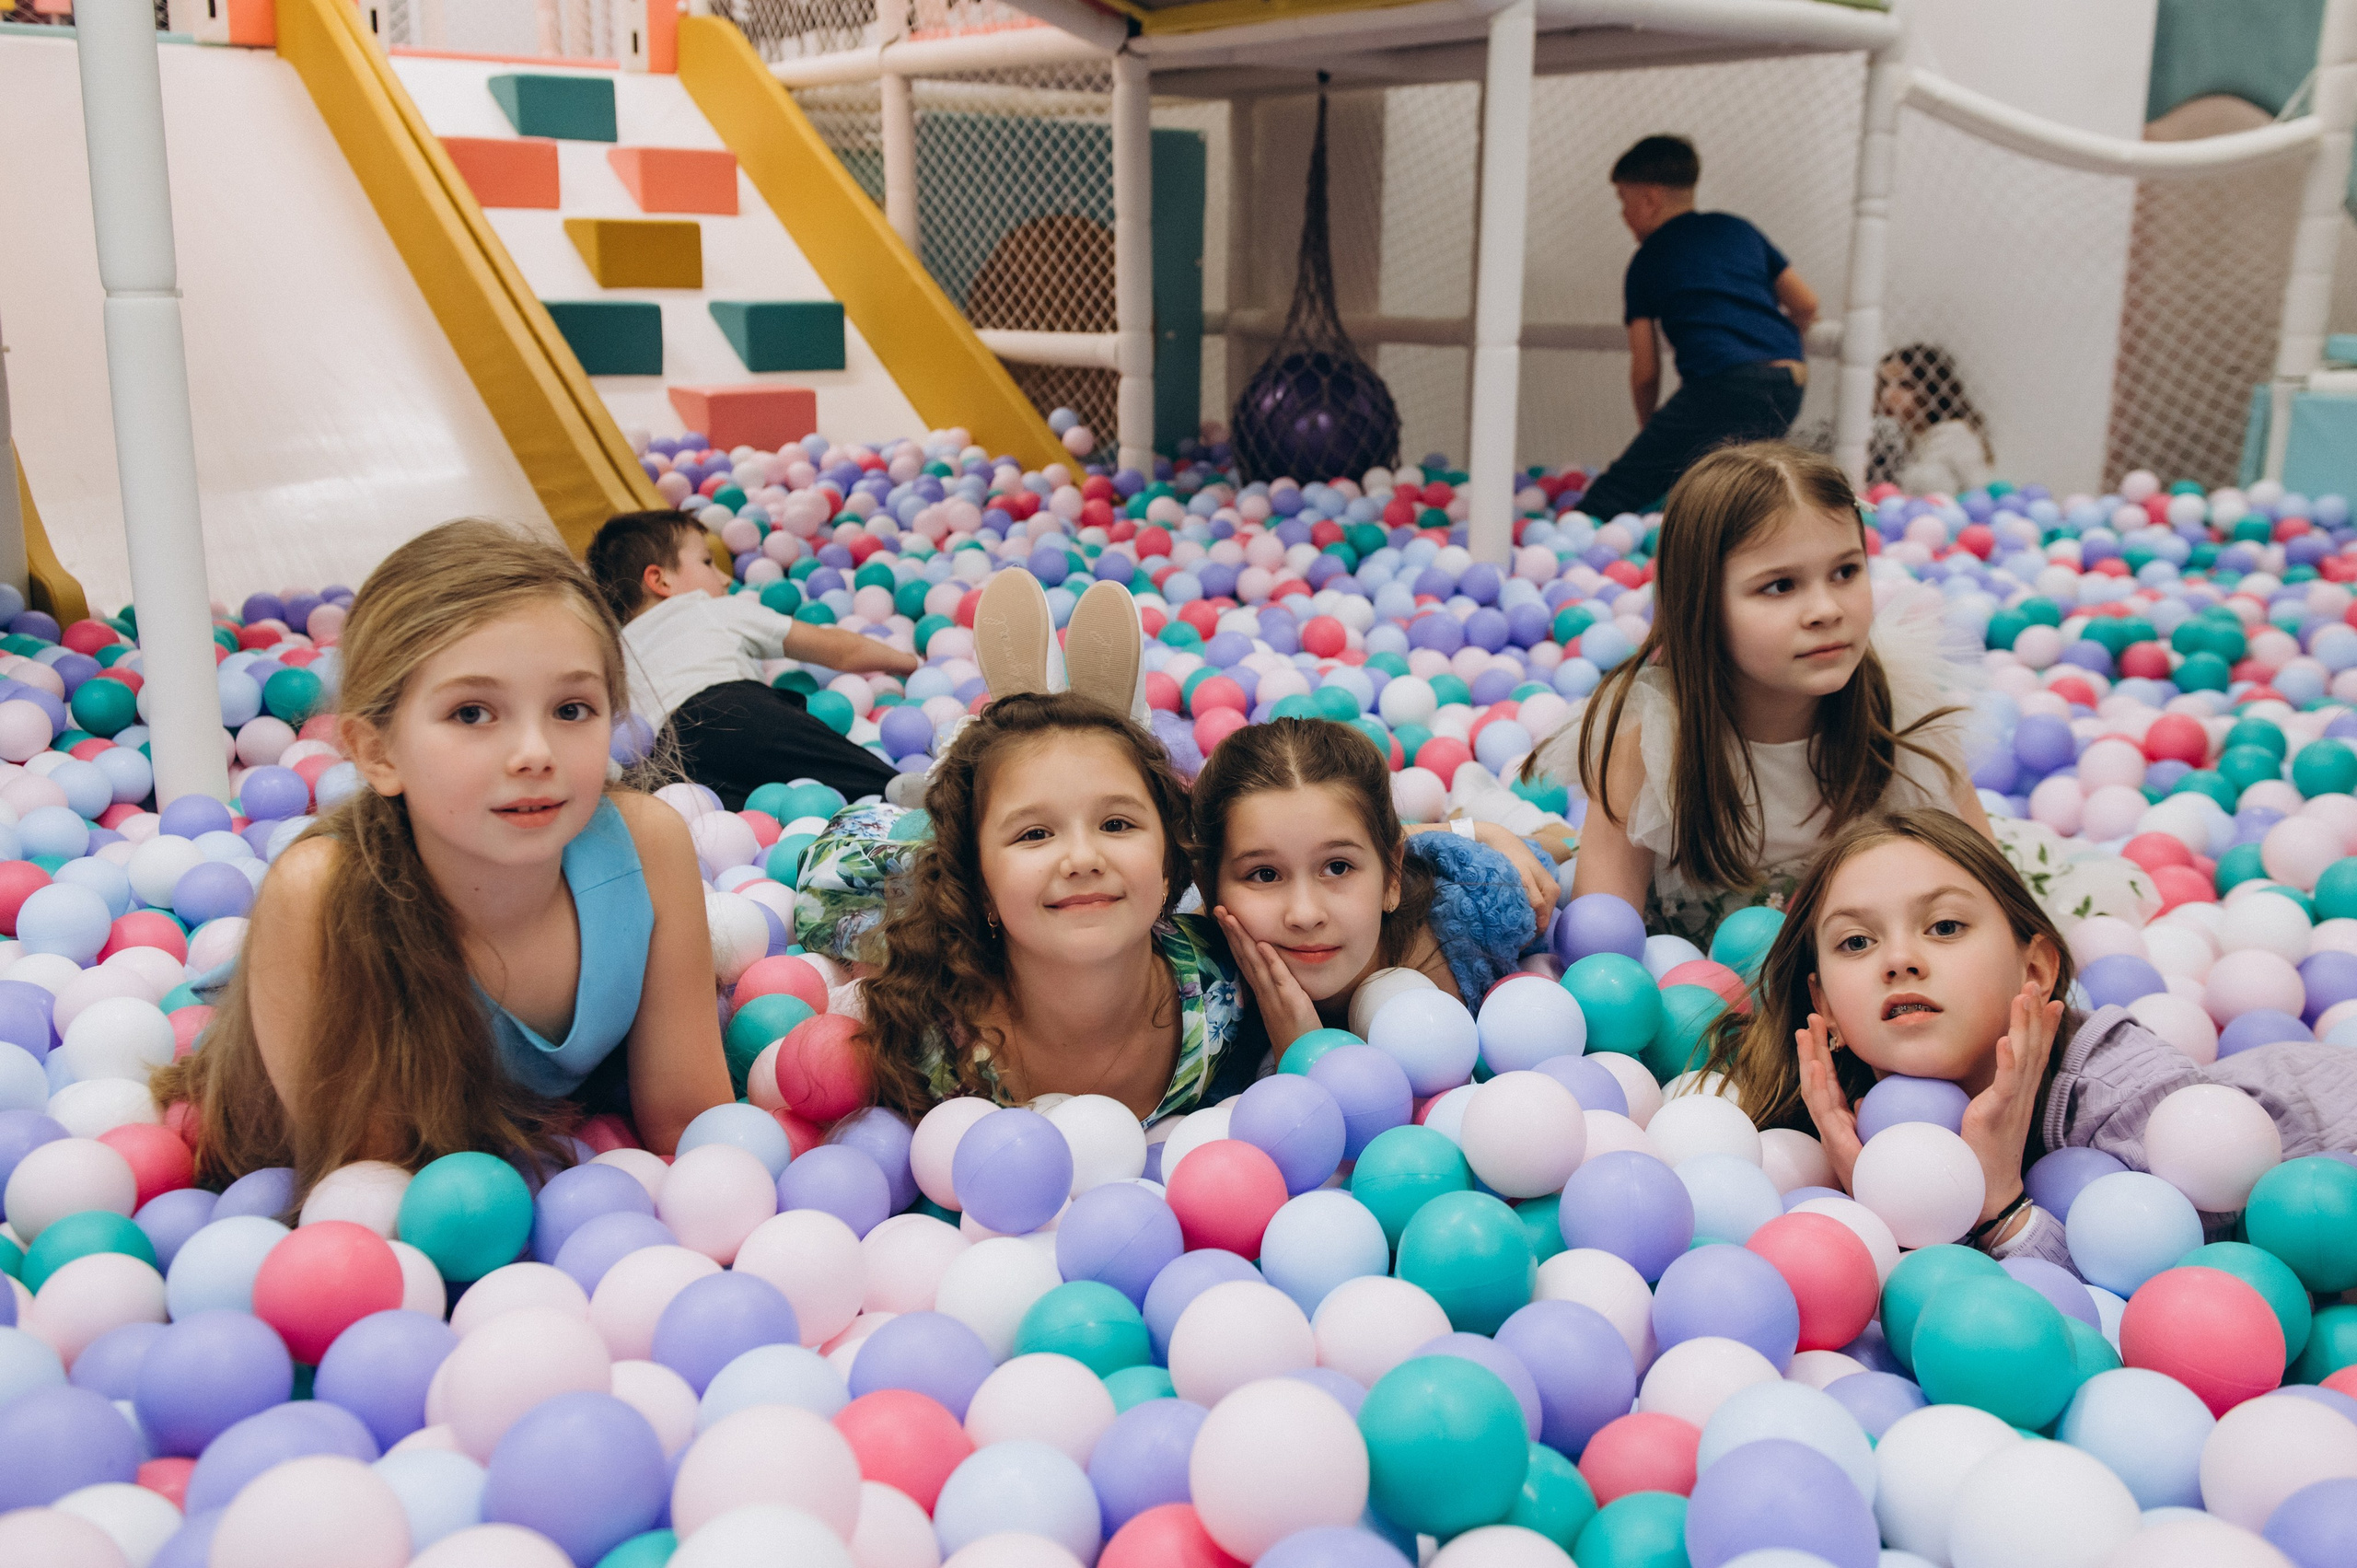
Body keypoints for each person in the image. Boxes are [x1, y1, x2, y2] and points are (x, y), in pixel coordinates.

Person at [154, 519, 736, 1194]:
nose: (535, 752)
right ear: (377, 752)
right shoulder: (322, 896)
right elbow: (378, 1191)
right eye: (471, 713)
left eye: (572, 708)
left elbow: (690, 1128)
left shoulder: (646, 844)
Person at [1536, 441, 2151, 948]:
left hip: (1878, 936)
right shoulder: (1652, 739)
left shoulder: (1898, 708)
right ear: (1703, 606)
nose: (1826, 610)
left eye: (1846, 572)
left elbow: (1988, 893)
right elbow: (1600, 936)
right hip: (1713, 958)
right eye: (1779, 586)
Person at [1705, 807, 2357, 1264]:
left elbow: (2186, 1285)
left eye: (1944, 927)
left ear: (2036, 968)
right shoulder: (1840, 1126)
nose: (1899, 959)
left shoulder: (2116, 1088)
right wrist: (1889, 1198)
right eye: (1856, 941)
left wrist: (1996, 1208)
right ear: (1826, 1006)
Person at [818, 691, 1257, 1124]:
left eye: (1116, 824)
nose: (1083, 859)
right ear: (981, 885)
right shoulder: (919, 1028)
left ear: (1166, 864)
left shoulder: (1224, 980)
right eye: (1034, 834)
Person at [1195, 717, 1553, 1058]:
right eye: (1265, 875)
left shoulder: (1482, 899)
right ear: (1209, 889)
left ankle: (1476, 797)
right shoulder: (1196, 984)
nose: (1305, 915)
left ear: (1391, 879)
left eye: (1337, 868)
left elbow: (1548, 868)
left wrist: (1487, 832)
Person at [586, 509, 917, 810]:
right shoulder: (705, 607)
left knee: (761, 816)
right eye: (707, 562)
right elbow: (839, 649)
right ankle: (911, 795)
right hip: (730, 711)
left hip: (669, 769)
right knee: (849, 774)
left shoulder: (614, 654)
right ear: (660, 581)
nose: (725, 577)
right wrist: (907, 662)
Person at [1577, 135, 1819, 522]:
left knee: (1615, 492)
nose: (1623, 216)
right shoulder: (1738, 229)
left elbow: (1645, 370)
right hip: (1789, 381)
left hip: (1724, 385)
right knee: (1728, 486)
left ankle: (1579, 538)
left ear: (1650, 199)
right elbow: (1806, 304)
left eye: (1624, 203)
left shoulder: (1647, 260)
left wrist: (1652, 429)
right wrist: (1776, 336)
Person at [1873, 343, 1995, 496]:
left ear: (1930, 388)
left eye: (1904, 384)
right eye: (1884, 384)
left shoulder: (1953, 434)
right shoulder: (1903, 435)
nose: (1888, 394)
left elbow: (1978, 490)